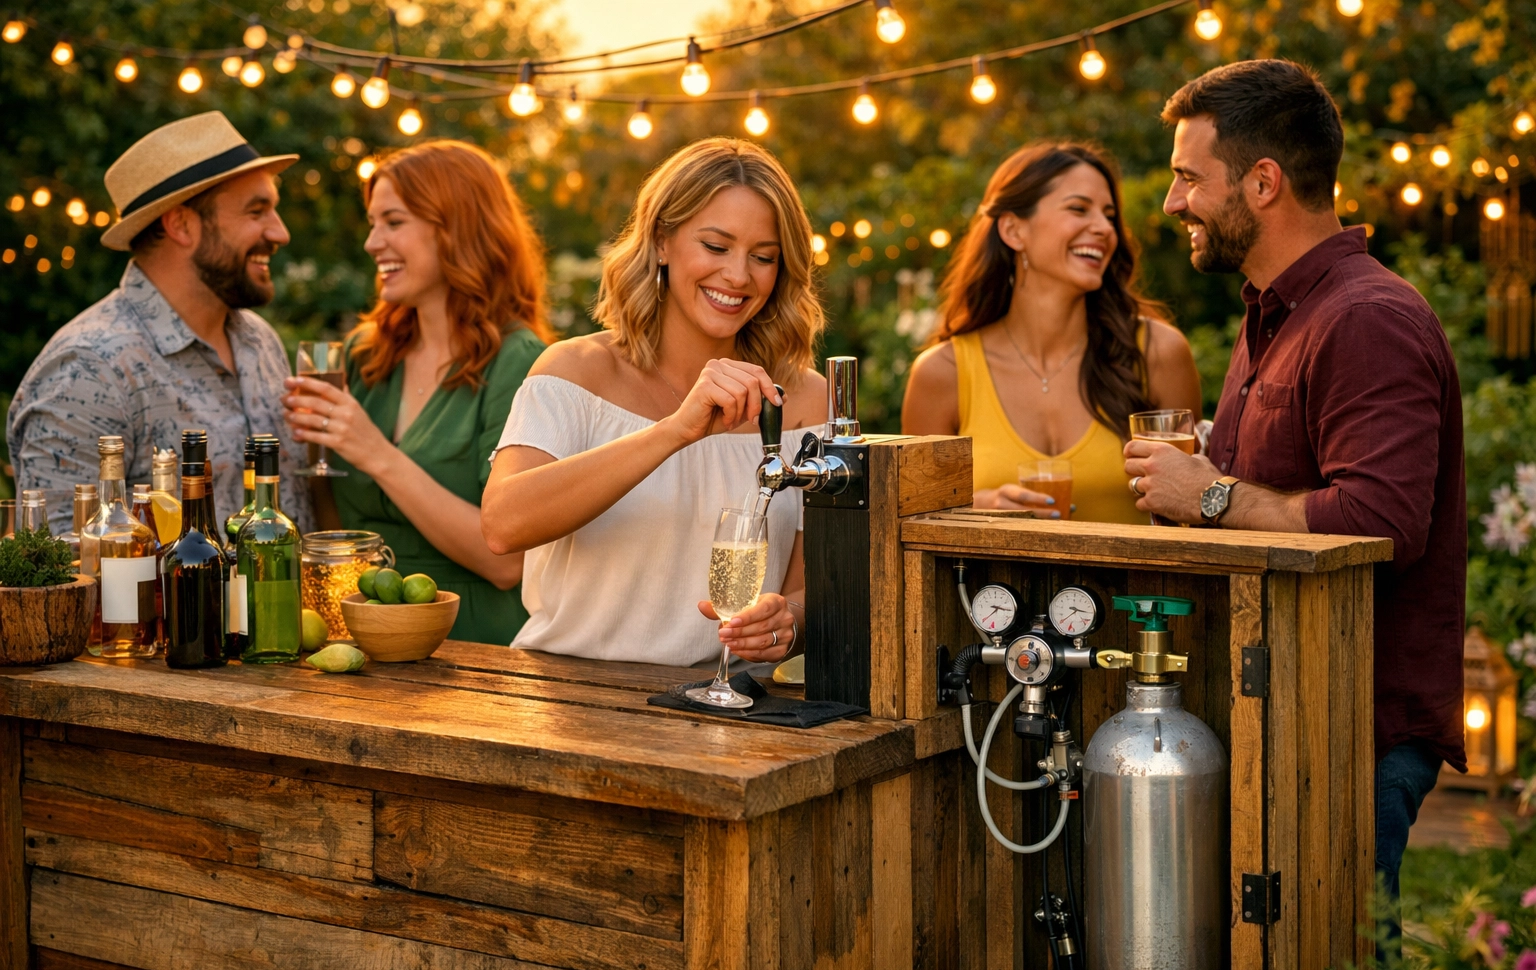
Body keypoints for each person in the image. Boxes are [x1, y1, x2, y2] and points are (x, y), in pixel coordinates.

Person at [1127, 59, 1466, 918]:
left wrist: (1208, 496)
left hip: (1353, 724)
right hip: (1294, 709)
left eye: (1188, 178)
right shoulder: (1275, 312)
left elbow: (1382, 519)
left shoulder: (1365, 319)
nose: (1173, 204)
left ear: (1264, 182)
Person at [480, 137, 825, 668]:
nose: (738, 276)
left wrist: (786, 625)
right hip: (568, 698)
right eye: (715, 246)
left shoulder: (803, 400)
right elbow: (504, 525)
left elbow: (809, 592)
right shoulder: (574, 370)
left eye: (764, 257)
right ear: (662, 241)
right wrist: (674, 430)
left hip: (733, 708)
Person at [281, 140, 547, 644]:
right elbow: (333, 511)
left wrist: (375, 452)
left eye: (394, 222)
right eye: (372, 222)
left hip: (473, 646)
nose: (371, 242)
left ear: (456, 230)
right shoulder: (364, 356)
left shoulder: (520, 363)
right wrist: (316, 444)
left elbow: (507, 561)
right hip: (365, 638)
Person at [6, 111, 314, 534]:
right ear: (182, 224)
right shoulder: (89, 369)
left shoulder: (260, 341)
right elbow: (61, 577)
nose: (280, 233)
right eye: (257, 211)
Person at [901, 141, 1200, 523]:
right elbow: (915, 528)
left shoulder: (1159, 353)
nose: (1104, 229)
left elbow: (1190, 514)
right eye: (1078, 209)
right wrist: (976, 506)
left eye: (1109, 216)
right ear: (1013, 230)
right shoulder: (943, 374)